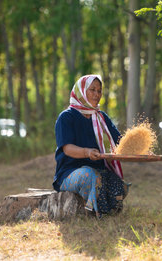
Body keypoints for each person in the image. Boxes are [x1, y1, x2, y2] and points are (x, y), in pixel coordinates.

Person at [54, 74, 127, 217]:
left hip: (99, 170)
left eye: (99, 91)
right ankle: (95, 212)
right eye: (92, 89)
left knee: (120, 185)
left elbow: (119, 141)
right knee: (90, 176)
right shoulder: (66, 117)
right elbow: (67, 149)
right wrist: (87, 152)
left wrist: (138, 149)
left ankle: (108, 210)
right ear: (81, 91)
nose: (97, 94)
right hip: (70, 173)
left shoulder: (101, 116)